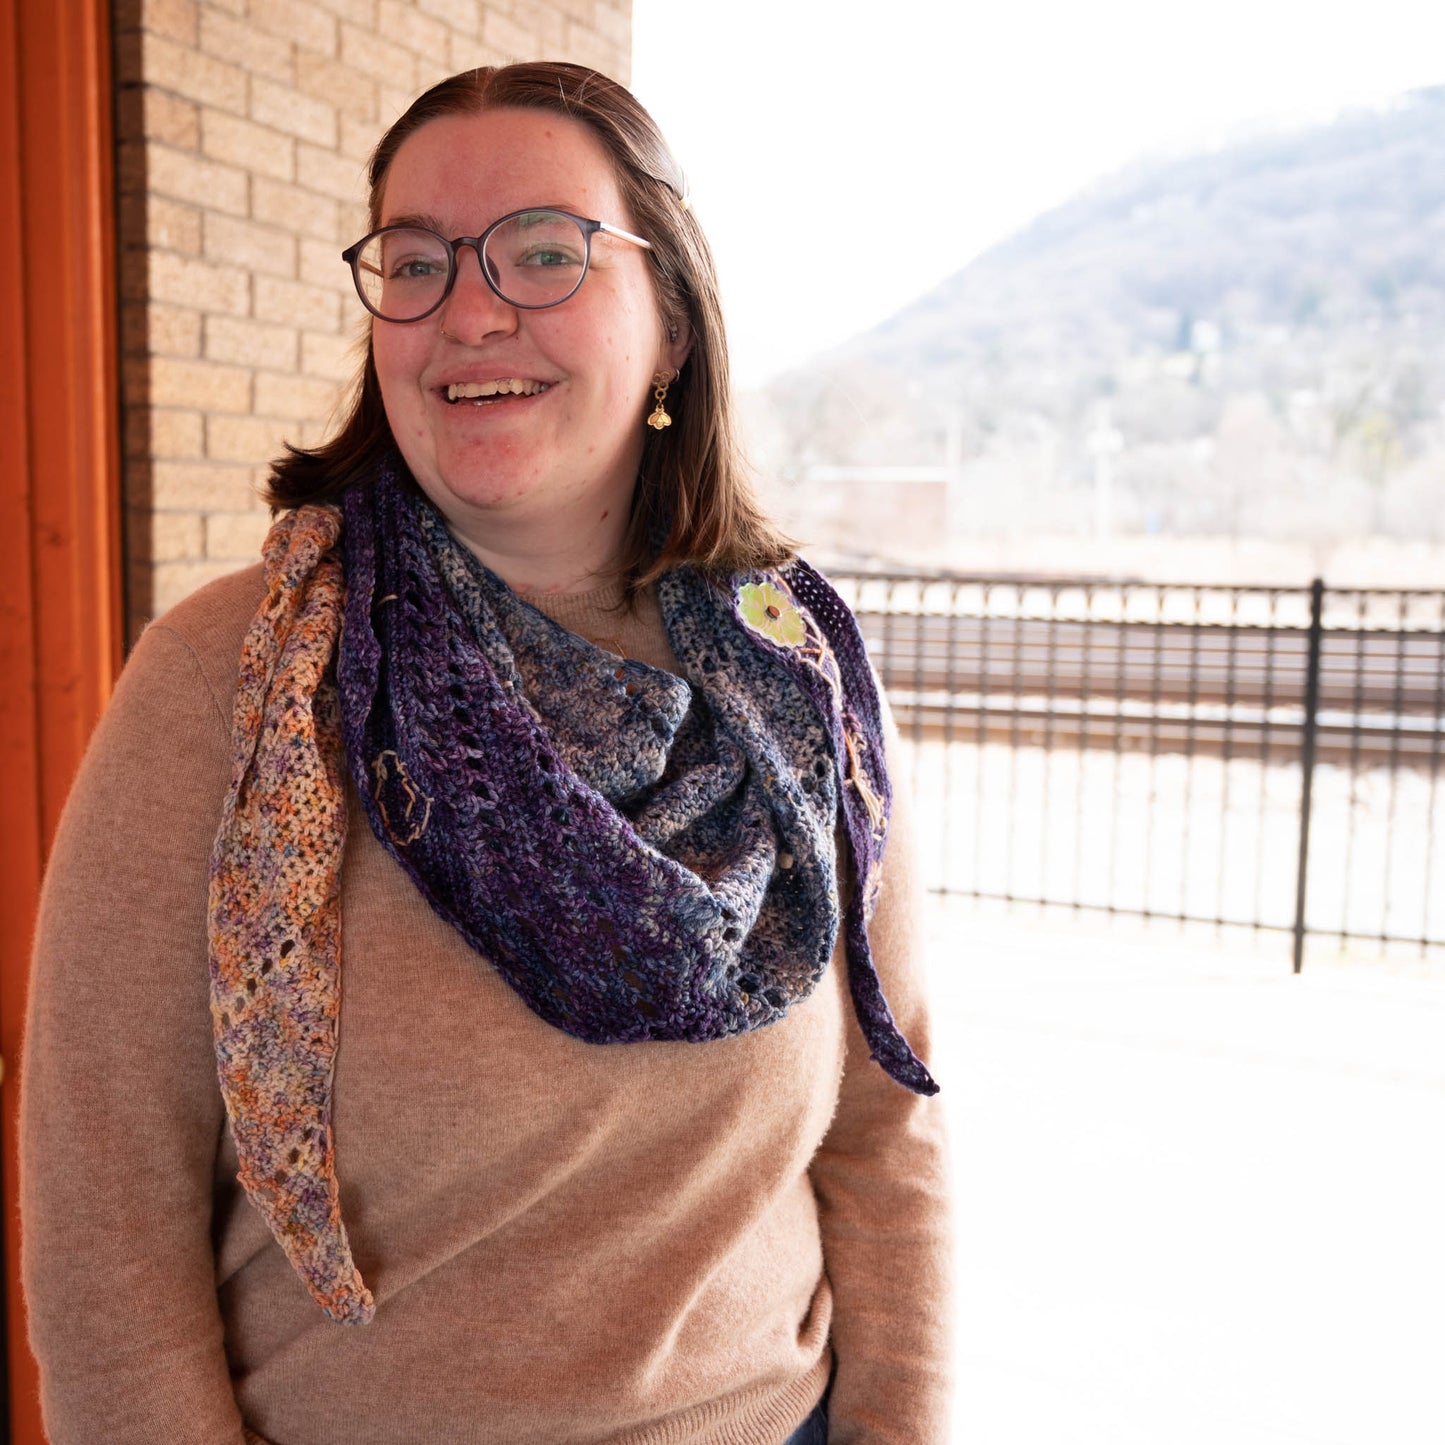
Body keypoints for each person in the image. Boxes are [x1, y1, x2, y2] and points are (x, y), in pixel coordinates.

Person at [21, 62, 952, 1445]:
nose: (467, 311)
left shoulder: (791, 679)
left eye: (543, 252)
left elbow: (884, 1135)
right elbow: (104, 1218)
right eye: (414, 260)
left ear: (674, 323)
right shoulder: (231, 684)